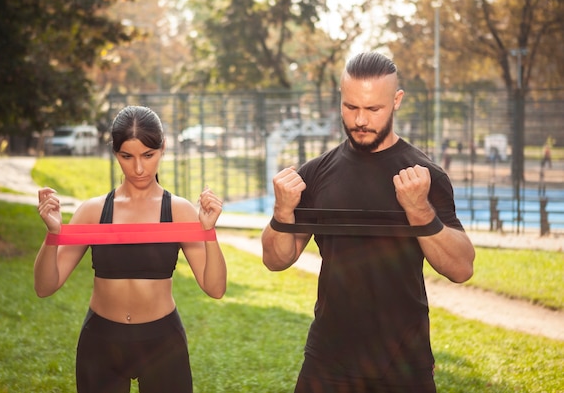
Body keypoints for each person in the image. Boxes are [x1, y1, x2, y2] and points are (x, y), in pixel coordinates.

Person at [261, 52, 475, 393]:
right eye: (351, 107)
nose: (360, 120)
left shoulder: (424, 176)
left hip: (403, 358)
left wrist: (419, 211)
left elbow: (462, 268)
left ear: (396, 101)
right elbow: (276, 260)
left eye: (373, 109)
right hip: (329, 358)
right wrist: (282, 212)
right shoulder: (316, 173)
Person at [34, 105, 227, 393]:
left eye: (148, 156)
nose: (139, 168)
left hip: (162, 341)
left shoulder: (179, 210)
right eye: (127, 156)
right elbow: (44, 286)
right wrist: (53, 235)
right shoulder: (93, 210)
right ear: (115, 153)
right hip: (101, 340)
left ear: (162, 148)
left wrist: (209, 231)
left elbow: (215, 288)